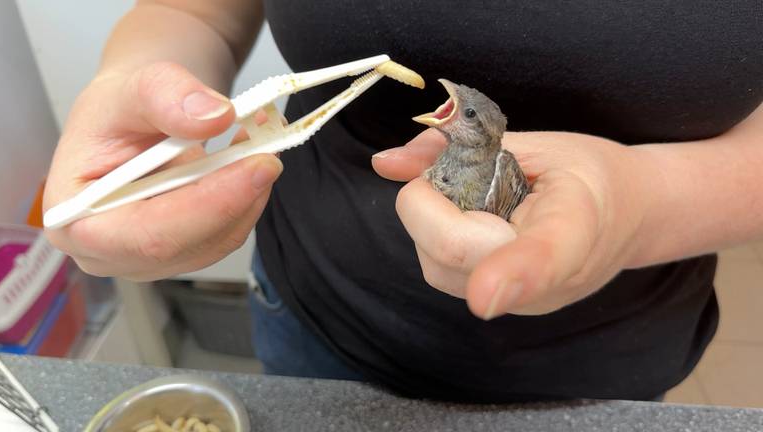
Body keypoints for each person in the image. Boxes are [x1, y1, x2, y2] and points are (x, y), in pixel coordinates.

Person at [44, 0, 763, 403]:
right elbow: (195, 10)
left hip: (611, 352)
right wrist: (140, 78)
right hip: (318, 308)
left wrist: (647, 204)